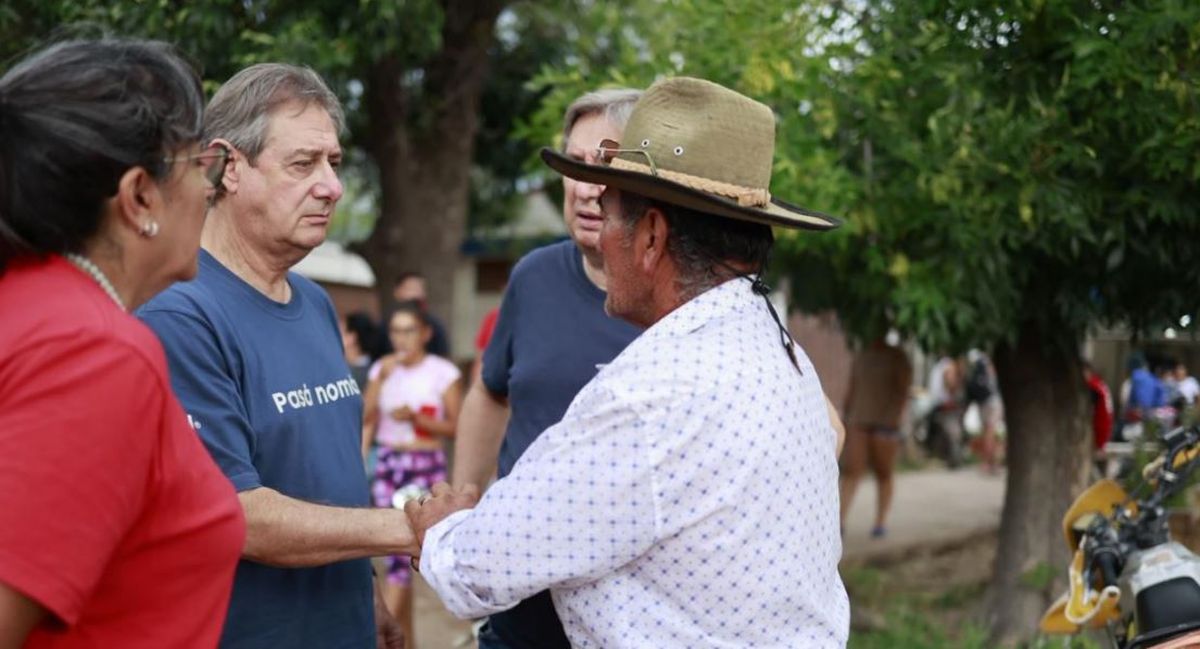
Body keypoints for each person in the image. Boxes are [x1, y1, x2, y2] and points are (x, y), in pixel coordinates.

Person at [412, 76, 850, 647]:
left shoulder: (646, 398)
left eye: (610, 211)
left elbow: (473, 572)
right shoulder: (780, 352)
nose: (599, 231)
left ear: (650, 237)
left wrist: (441, 529)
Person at [138, 63, 411, 649]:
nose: (332, 187)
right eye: (303, 164)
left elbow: (329, 473)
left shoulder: (315, 303)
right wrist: (409, 527)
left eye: (333, 162)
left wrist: (367, 594)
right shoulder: (179, 315)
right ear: (227, 167)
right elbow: (237, 514)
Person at [0, 39, 244, 647]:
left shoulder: (35, 305)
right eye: (201, 165)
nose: (210, 189)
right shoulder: (96, 353)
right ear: (139, 197)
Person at [451, 87, 644, 649]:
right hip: (521, 610)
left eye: (605, 166)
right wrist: (464, 503)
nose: (585, 187)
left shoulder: (682, 299)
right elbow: (490, 392)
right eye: (574, 165)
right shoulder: (532, 276)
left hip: (625, 622)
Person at [361, 302, 463, 646]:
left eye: (409, 331)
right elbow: (365, 415)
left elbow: (455, 426)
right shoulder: (382, 368)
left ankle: (381, 636)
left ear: (425, 334)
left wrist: (418, 418)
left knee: (402, 553)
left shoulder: (442, 372)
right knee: (394, 557)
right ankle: (403, 639)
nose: (401, 339)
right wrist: (380, 380)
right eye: (395, 331)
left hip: (423, 463)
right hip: (387, 461)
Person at [839, 335, 913, 538]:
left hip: (885, 424)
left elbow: (904, 390)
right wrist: (845, 419)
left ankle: (880, 522)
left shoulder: (897, 357)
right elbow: (851, 387)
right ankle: (839, 521)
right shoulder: (861, 355)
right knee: (852, 471)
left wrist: (896, 419)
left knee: (883, 473)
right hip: (858, 421)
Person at [384, 272, 450, 358]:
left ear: (426, 334)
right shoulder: (384, 324)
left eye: (420, 289)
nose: (416, 294)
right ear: (397, 292)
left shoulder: (434, 324)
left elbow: (442, 355)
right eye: (411, 288)